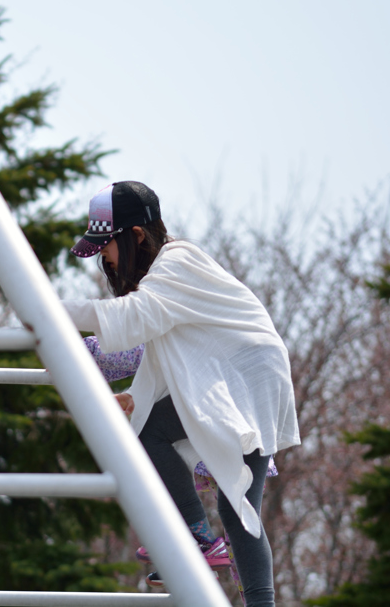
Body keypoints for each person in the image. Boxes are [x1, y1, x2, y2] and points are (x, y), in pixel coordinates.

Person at [62, 181, 300, 607]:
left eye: (107, 247)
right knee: (237, 508)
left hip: (244, 380)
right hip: (242, 377)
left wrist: (53, 312)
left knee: (151, 432)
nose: (105, 260)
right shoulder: (166, 285)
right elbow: (138, 348)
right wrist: (75, 359)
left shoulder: (177, 263)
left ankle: (193, 533)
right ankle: (242, 585)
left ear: (135, 235)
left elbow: (133, 324)